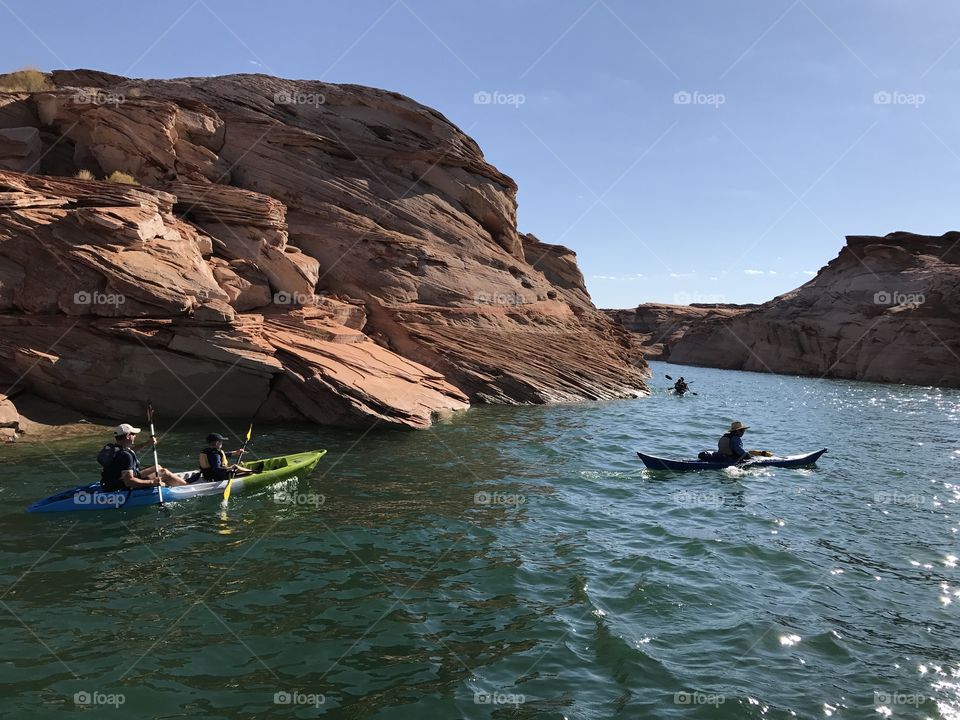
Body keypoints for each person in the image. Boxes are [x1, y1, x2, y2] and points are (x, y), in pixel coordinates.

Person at [100, 423, 186, 491]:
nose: (135, 436)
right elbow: (129, 482)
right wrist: (152, 482)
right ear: (128, 436)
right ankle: (187, 487)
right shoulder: (125, 456)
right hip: (120, 486)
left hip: (110, 482)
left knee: (157, 467)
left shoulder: (115, 448)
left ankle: (177, 482)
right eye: (133, 434)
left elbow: (131, 451)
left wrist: (147, 443)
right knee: (164, 472)